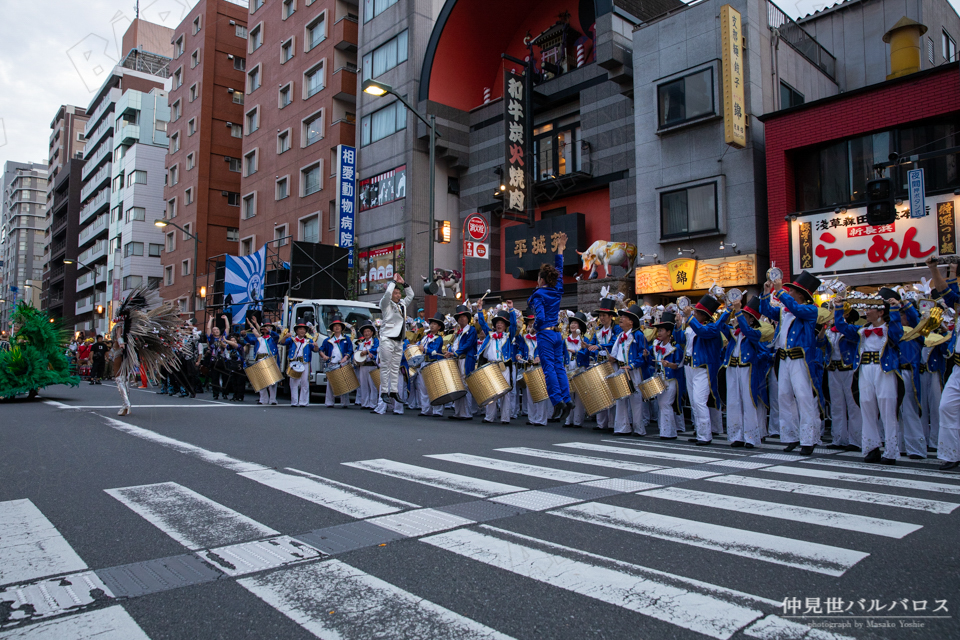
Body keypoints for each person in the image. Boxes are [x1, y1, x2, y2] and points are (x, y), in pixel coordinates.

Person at [833, 294, 903, 464]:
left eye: (870, 308)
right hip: (865, 370)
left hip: (883, 370)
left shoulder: (889, 329)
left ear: (880, 313)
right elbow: (841, 326)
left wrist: (894, 308)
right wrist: (838, 307)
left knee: (887, 408)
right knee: (866, 407)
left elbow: (898, 331)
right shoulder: (862, 331)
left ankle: (891, 452)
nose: (866, 311)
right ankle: (872, 448)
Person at [760, 270, 823, 454]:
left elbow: (796, 309)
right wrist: (766, 292)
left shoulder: (810, 310)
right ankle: (791, 436)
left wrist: (779, 292)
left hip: (800, 360)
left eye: (792, 291)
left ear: (801, 295)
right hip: (784, 358)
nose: (789, 292)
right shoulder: (784, 310)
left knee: (803, 398)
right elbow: (765, 310)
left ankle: (808, 440)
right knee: (784, 398)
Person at [109, 287, 182, 416]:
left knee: (119, 378)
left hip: (120, 351)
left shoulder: (120, 324)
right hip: (127, 351)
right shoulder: (129, 324)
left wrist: (121, 344)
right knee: (124, 378)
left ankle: (126, 404)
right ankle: (126, 405)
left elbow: (119, 336)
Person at [527, 238, 573, 423]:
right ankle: (567, 399)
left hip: (545, 333)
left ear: (541, 280)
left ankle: (557, 402)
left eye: (538, 278)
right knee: (558, 367)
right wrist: (560, 250)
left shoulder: (538, 294)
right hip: (556, 334)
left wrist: (535, 327)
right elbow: (560, 271)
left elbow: (540, 316)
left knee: (549, 369)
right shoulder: (557, 289)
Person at [720, 296, 772, 449]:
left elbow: (764, 353)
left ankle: (751, 437)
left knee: (748, 402)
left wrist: (756, 359)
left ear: (750, 320)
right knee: (734, 402)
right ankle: (737, 436)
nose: (737, 318)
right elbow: (719, 325)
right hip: (732, 368)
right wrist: (728, 310)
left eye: (743, 316)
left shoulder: (755, 334)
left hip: (747, 369)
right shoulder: (733, 333)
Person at [923, 257, 960, 470]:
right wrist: (933, 268)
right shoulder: (957, 302)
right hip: (957, 367)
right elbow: (946, 292)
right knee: (947, 407)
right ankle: (951, 454)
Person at [675, 295, 727, 446]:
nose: (693, 313)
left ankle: (705, 435)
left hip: (703, 368)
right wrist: (679, 325)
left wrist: (689, 318)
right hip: (689, 366)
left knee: (699, 401)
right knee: (693, 402)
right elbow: (680, 340)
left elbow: (703, 333)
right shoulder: (692, 326)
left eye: (696, 312)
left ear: (704, 315)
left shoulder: (711, 327)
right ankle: (700, 431)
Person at [823, 306, 862, 451]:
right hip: (833, 369)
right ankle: (838, 438)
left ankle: (856, 440)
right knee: (837, 405)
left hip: (849, 369)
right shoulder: (829, 332)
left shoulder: (853, 331)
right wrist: (821, 333)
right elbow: (821, 345)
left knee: (853, 406)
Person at [476, 308, 517, 424]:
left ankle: (505, 418)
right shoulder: (490, 335)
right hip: (491, 367)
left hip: (503, 367)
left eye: (502, 323)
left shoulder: (508, 336)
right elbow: (482, 323)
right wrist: (480, 310)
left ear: (505, 326)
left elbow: (514, 325)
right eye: (497, 323)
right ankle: (489, 417)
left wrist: (511, 310)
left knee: (505, 393)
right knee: (491, 392)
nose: (499, 325)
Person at [378, 273, 414, 405]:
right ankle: (383, 391)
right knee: (385, 365)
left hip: (399, 339)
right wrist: (393, 282)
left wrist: (404, 283)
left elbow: (411, 295)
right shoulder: (385, 304)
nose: (398, 295)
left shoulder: (403, 304)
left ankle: (393, 391)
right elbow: (387, 295)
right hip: (387, 337)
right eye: (395, 293)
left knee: (395, 367)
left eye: (399, 293)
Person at [612, 304, 647, 437]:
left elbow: (643, 353)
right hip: (622, 369)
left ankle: (639, 428)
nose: (621, 319)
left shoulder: (638, 335)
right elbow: (614, 354)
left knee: (636, 399)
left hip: (633, 370)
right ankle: (622, 427)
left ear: (631, 322)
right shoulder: (620, 335)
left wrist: (632, 365)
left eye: (624, 317)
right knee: (621, 399)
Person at [586, 298, 621, 430]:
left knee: (612, 393)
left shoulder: (616, 329)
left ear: (611, 316)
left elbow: (614, 343)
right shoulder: (598, 330)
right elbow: (593, 343)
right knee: (600, 392)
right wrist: (588, 346)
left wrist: (599, 346)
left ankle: (612, 423)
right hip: (599, 364)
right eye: (600, 316)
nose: (601, 318)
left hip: (611, 363)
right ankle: (601, 423)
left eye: (604, 316)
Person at [650, 310, 684, 439]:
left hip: (671, 379)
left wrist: (668, 364)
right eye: (658, 331)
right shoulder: (655, 345)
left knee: (666, 404)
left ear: (669, 332)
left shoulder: (676, 348)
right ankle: (666, 430)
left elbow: (678, 365)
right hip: (659, 378)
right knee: (661, 404)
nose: (658, 333)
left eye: (661, 330)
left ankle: (668, 432)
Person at [444, 305, 477, 420]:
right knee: (457, 385)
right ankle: (458, 412)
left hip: (466, 359)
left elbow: (468, 344)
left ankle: (466, 412)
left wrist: (456, 353)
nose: (462, 319)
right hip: (457, 360)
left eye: (464, 316)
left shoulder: (471, 330)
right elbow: (452, 344)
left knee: (465, 385)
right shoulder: (457, 332)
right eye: (459, 317)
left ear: (468, 318)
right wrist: (448, 351)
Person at [564, 312, 591, 428]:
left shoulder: (585, 340)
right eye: (571, 323)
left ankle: (578, 420)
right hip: (568, 367)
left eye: (575, 323)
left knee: (579, 395)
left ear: (580, 326)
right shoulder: (564, 340)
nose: (573, 325)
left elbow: (588, 354)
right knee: (568, 393)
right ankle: (568, 419)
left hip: (579, 367)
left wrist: (578, 352)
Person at [416, 313, 446, 417]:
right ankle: (425, 409)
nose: (432, 325)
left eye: (435, 324)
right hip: (424, 362)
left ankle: (437, 410)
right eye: (431, 323)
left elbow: (434, 349)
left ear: (439, 327)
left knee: (435, 387)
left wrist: (424, 349)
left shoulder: (438, 338)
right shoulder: (425, 337)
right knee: (423, 387)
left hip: (434, 363)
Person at [320, 316, 353, 408]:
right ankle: (329, 402)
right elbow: (321, 350)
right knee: (330, 385)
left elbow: (350, 350)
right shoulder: (327, 340)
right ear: (332, 328)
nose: (337, 327)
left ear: (342, 328)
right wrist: (324, 356)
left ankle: (345, 403)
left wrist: (345, 358)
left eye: (339, 326)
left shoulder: (347, 339)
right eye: (335, 326)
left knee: (344, 383)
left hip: (342, 364)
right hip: (332, 363)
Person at [247, 317, 281, 405]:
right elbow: (250, 340)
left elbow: (277, 336)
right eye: (266, 327)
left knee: (272, 382)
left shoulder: (273, 338)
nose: (267, 328)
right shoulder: (259, 339)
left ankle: (273, 399)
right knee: (261, 381)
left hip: (270, 359)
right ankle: (263, 399)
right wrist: (244, 335)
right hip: (260, 359)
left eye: (269, 327)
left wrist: (269, 331)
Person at [283, 322, 316, 407]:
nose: (302, 331)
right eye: (300, 329)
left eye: (303, 329)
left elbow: (316, 350)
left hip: (305, 363)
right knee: (294, 382)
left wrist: (316, 346)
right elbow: (282, 342)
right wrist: (285, 336)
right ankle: (294, 401)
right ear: (297, 331)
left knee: (305, 382)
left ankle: (303, 402)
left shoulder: (309, 341)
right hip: (294, 362)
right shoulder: (292, 339)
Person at [356, 322, 379, 409]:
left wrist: (368, 352)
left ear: (372, 332)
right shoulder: (361, 343)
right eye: (365, 332)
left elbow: (376, 349)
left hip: (372, 365)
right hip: (363, 365)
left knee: (372, 385)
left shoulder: (375, 341)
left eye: (368, 331)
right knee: (364, 385)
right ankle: (365, 403)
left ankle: (373, 403)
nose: (366, 333)